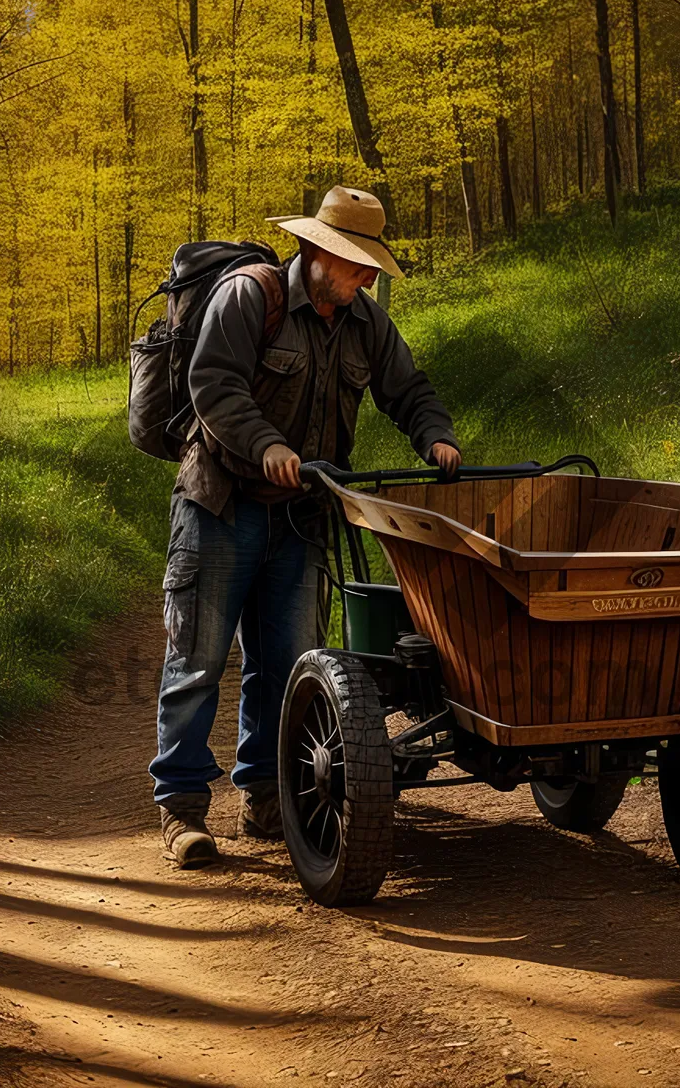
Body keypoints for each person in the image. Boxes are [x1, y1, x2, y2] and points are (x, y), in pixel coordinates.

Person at [151, 185, 460, 868]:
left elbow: (408, 389)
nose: (367, 277)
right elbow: (214, 385)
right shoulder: (249, 297)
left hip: (301, 516)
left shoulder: (364, 321)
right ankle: (182, 811)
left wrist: (434, 438)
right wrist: (267, 445)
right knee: (198, 661)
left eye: (372, 266)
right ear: (318, 251)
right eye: (357, 263)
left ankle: (265, 797)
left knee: (287, 667)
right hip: (220, 506)